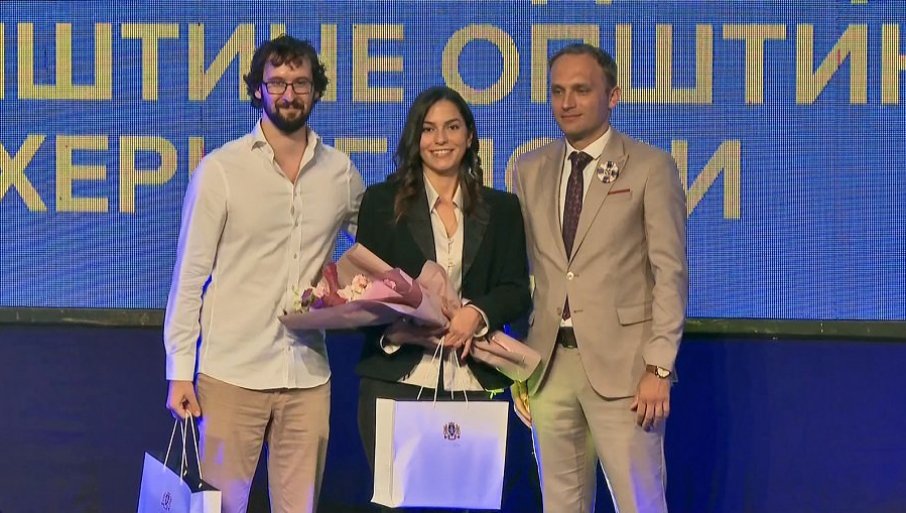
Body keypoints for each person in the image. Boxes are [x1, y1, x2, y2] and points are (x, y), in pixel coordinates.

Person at [163, 35, 365, 513]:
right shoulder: (221, 170)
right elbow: (189, 276)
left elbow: (377, 246)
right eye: (277, 82)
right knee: (218, 508)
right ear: (258, 89)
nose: (289, 94)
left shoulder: (340, 173)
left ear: (316, 90)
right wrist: (179, 372)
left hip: (308, 376)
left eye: (300, 83)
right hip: (231, 374)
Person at [509, 43, 688, 513]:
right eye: (557, 91)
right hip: (548, 369)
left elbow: (670, 273)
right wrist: (518, 365)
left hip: (627, 371)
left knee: (640, 503)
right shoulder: (528, 169)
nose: (567, 102)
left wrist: (659, 367)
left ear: (613, 96)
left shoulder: (650, 166)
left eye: (581, 90)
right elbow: (523, 273)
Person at [354, 85, 532, 509]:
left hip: (475, 381)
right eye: (429, 129)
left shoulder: (503, 209)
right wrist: (403, 327)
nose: (440, 139)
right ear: (416, 138)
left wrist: (477, 314)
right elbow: (363, 290)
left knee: (471, 504)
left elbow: (515, 290)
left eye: (452, 127)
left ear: (469, 136)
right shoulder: (381, 203)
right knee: (398, 504)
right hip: (396, 379)